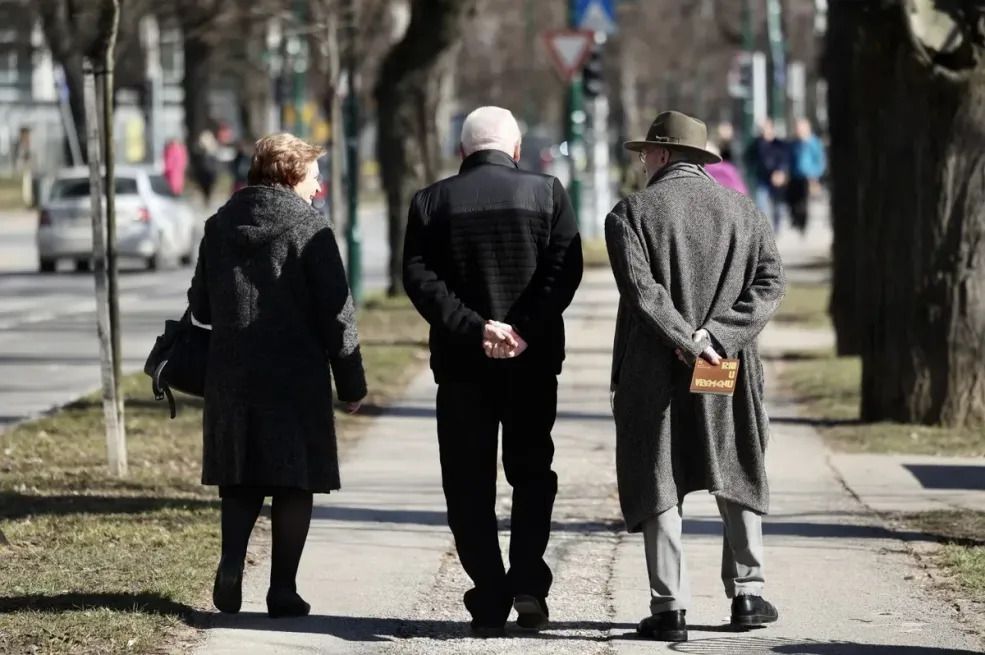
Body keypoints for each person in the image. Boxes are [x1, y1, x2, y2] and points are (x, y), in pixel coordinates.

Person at [403, 106, 583, 637]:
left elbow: (419, 277)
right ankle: (527, 579)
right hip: (532, 362)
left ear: (462, 151)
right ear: (516, 150)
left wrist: (475, 327)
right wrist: (522, 328)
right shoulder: (548, 193)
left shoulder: (430, 203)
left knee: (468, 482)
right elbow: (563, 271)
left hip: (462, 365)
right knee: (531, 473)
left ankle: (488, 592)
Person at [606, 110, 785, 642]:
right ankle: (748, 594)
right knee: (733, 462)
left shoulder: (630, 215)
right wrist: (716, 339)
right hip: (722, 366)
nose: (642, 162)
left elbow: (643, 295)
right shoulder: (744, 211)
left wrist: (686, 341)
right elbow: (771, 283)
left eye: (645, 154)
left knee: (659, 474)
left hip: (654, 371)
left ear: (662, 155)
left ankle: (669, 608)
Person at [188, 133, 367, 619]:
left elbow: (200, 306)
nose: (319, 186)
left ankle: (230, 566)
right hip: (295, 377)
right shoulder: (311, 228)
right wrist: (351, 382)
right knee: (293, 483)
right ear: (290, 176)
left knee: (241, 478)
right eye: (313, 176)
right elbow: (337, 312)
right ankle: (282, 590)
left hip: (230, 374)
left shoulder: (219, 224)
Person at [744, 118, 789, 232]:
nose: (764, 131)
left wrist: (780, 172)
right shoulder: (756, 144)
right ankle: (763, 229)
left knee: (777, 205)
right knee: (761, 204)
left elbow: (784, 160)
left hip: (776, 179)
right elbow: (748, 159)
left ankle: (777, 227)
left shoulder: (780, 144)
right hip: (762, 179)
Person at [786, 118, 826, 234]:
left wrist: (815, 175)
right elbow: (789, 160)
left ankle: (802, 223)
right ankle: (795, 220)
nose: (799, 131)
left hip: (809, 177)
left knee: (803, 201)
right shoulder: (794, 144)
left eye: (801, 128)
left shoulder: (814, 143)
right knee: (792, 199)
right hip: (794, 176)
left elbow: (820, 160)